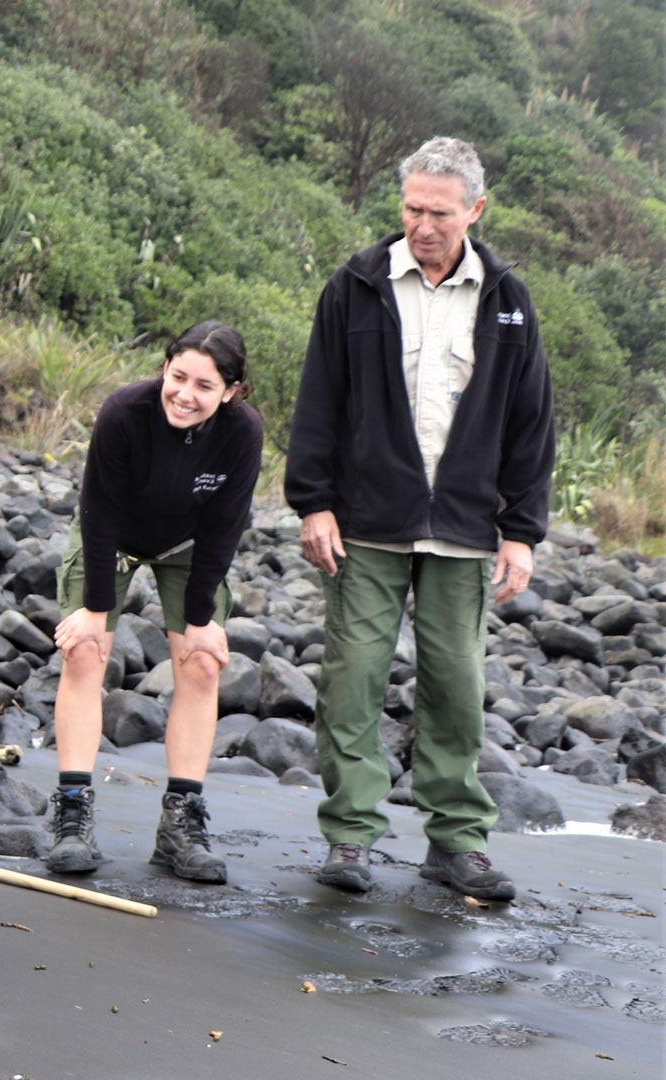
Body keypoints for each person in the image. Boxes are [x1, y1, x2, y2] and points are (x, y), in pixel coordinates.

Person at [287, 136, 554, 901]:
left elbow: (532, 422)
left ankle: (457, 843)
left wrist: (522, 531)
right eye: (411, 208)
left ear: (475, 210)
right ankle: (350, 837)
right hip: (365, 522)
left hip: (466, 531)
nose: (422, 225)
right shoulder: (356, 286)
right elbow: (319, 402)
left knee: (457, 685)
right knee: (355, 679)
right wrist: (313, 502)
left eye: (439, 212)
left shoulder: (507, 300)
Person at [45, 322, 263, 885]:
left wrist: (199, 621)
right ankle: (72, 814)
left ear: (232, 391)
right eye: (178, 376)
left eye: (205, 385)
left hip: (190, 543)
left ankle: (181, 824)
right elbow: (98, 507)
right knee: (86, 653)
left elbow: (224, 526)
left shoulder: (242, 433)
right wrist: (94, 608)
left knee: (202, 661)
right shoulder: (125, 411)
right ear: (164, 368)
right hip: (111, 534)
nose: (185, 395)